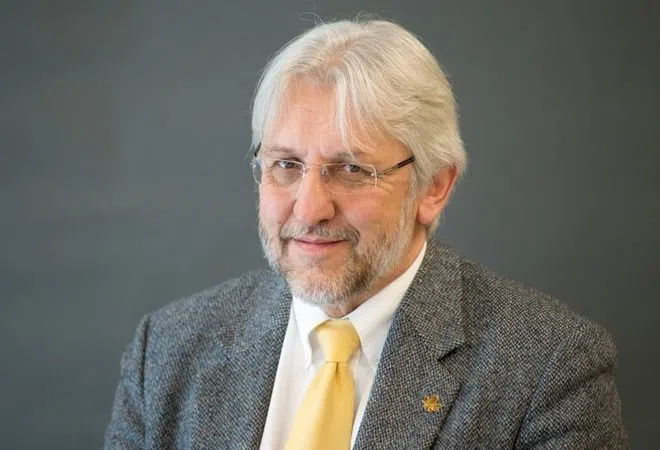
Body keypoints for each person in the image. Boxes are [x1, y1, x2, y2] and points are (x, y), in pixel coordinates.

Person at [104, 18, 628, 449]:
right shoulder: (168, 351)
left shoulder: (548, 370)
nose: (310, 207)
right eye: (286, 164)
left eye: (352, 169)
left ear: (434, 186)